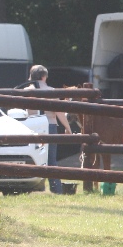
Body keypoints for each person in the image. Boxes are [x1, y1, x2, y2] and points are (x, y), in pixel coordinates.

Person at [24, 64, 72, 194]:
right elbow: (59, 112)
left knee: (32, 157)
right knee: (51, 159)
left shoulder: (26, 91)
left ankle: (30, 186)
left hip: (32, 126)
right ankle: (56, 189)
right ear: (44, 76)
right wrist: (68, 128)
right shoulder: (51, 91)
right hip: (50, 125)